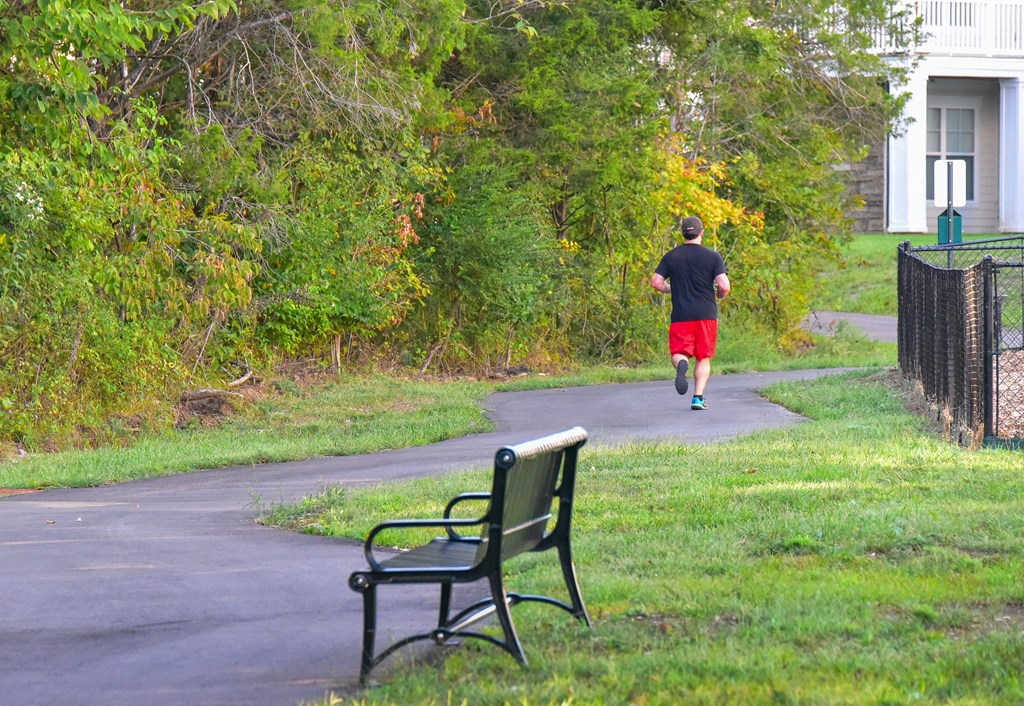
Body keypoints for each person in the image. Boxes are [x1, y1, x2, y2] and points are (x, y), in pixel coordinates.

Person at [650, 215, 730, 410]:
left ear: (683, 234)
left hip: (681, 315)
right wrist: (720, 294)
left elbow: (656, 282)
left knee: (678, 352)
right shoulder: (713, 256)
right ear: (701, 233)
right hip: (706, 314)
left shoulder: (672, 256)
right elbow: (724, 285)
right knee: (703, 357)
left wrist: (671, 289)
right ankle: (697, 398)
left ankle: (682, 364)